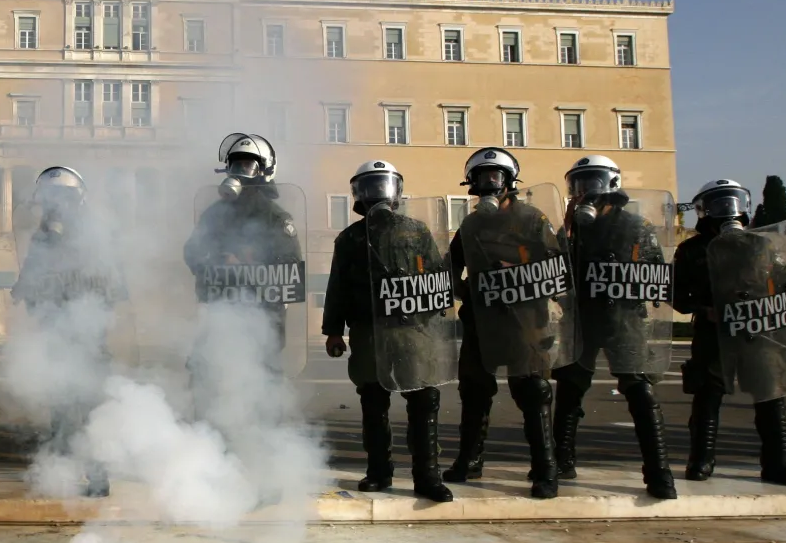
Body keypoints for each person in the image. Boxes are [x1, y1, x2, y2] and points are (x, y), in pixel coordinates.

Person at [443, 148, 569, 499]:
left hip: (525, 319)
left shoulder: (531, 218)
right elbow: (450, 265)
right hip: (481, 320)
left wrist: (527, 278)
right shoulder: (470, 224)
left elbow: (558, 266)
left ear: (510, 181)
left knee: (532, 390)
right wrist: (462, 290)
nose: (489, 185)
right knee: (474, 389)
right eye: (482, 179)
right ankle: (469, 460)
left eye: (495, 178)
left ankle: (546, 469)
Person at [323, 160, 452, 502]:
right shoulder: (349, 238)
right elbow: (337, 288)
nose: (377, 193)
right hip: (369, 332)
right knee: (373, 403)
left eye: (383, 185)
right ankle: (379, 472)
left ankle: (428, 476)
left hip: (412, 331)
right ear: (359, 195)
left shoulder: (417, 231)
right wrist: (333, 331)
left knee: (424, 400)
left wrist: (439, 315)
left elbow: (436, 275)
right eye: (370, 187)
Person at [551, 156, 676, 498]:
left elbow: (656, 273)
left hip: (624, 318)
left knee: (639, 388)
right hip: (583, 317)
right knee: (570, 386)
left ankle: (658, 470)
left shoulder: (635, 226)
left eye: (593, 181)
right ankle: (561, 459)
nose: (586, 191)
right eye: (579, 183)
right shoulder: (571, 229)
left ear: (612, 185)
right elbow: (558, 273)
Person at [11, 166, 126, 497]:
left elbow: (108, 284)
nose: (56, 206)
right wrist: (26, 289)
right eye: (52, 199)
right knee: (60, 408)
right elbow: (32, 274)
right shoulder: (44, 237)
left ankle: (98, 476)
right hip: (57, 337)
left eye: (62, 198)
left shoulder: (96, 234)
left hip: (88, 339)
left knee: (90, 407)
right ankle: (60, 475)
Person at [674, 179, 786, 486]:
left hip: (757, 331)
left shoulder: (761, 244)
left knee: (770, 396)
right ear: (704, 210)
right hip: (712, 334)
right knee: (707, 397)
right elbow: (677, 296)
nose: (728, 209)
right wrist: (704, 309)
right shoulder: (690, 250)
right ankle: (701, 461)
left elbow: (783, 283)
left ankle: (777, 464)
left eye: (733, 201)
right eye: (719, 203)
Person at [183, 133, 303, 377]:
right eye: (236, 165)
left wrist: (251, 260)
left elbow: (290, 267)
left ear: (264, 170)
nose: (239, 172)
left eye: (247, 165)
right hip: (220, 310)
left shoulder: (274, 217)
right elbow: (192, 251)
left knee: (261, 374)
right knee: (205, 370)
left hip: (262, 312)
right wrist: (215, 261)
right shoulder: (215, 214)